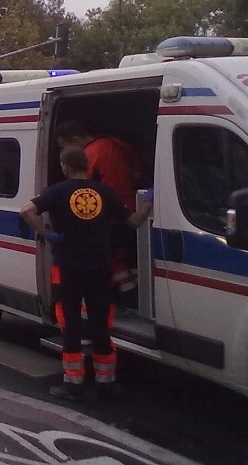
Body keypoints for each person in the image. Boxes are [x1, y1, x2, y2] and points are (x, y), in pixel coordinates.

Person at [19, 146, 153, 400]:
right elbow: (134, 221)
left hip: (68, 266)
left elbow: (26, 210)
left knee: (70, 324)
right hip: (100, 266)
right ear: (87, 166)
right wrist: (148, 203)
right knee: (100, 324)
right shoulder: (105, 192)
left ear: (65, 166)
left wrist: (47, 234)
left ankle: (73, 384)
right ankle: (107, 382)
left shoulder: (56, 192)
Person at [55, 120, 142, 298]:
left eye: (66, 147)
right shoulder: (117, 144)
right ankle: (139, 291)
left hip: (108, 215)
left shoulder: (91, 154)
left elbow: (80, 187)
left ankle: (129, 295)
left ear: (76, 139)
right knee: (130, 255)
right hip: (132, 207)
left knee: (112, 258)